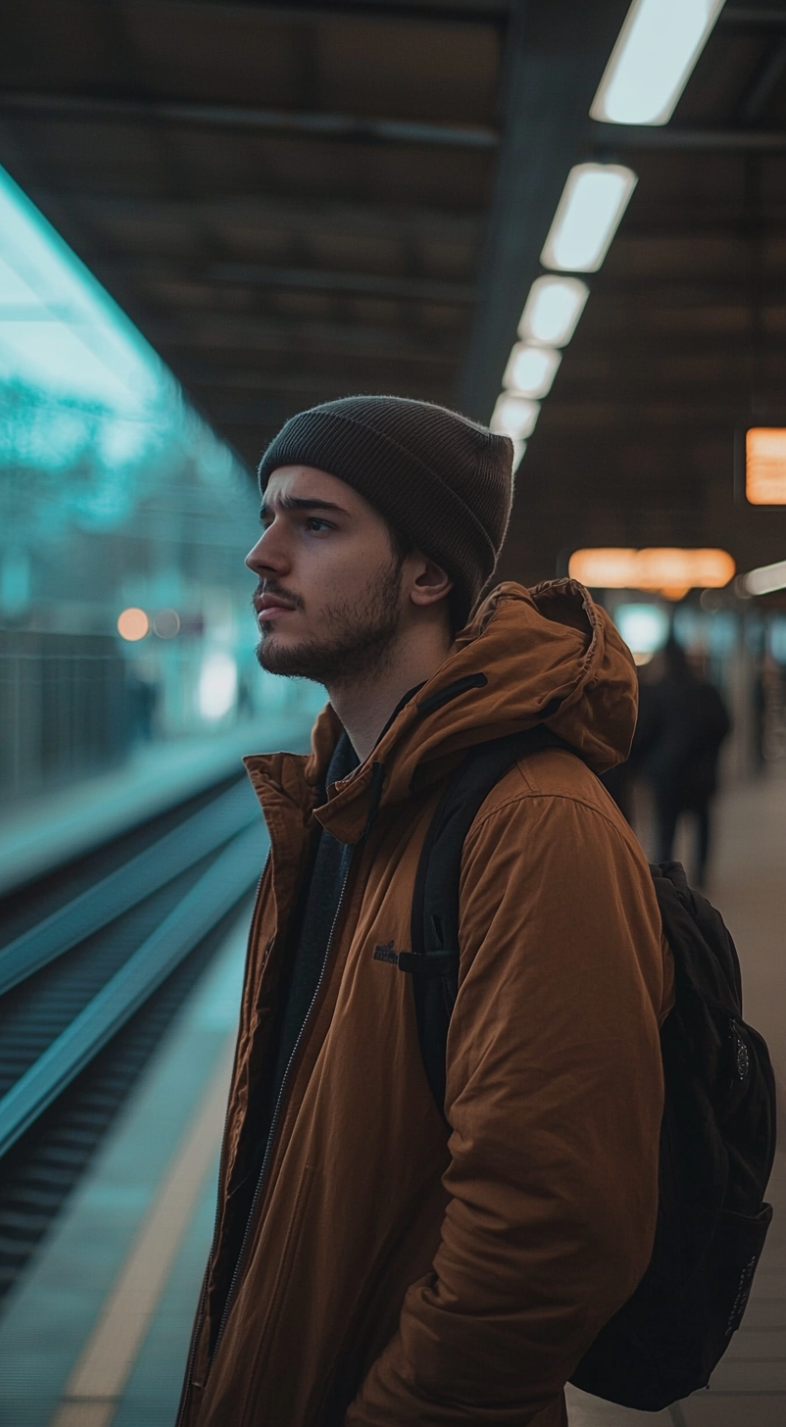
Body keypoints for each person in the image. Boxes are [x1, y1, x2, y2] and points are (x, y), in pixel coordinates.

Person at [177, 396, 672, 1427]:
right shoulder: (331, 806)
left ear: (425, 573)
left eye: (314, 523)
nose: (261, 554)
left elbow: (550, 1232)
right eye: (268, 514)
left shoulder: (532, 822)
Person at [635, 638, 731, 886]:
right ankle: (701, 875)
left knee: (666, 827)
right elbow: (723, 727)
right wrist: (710, 757)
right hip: (700, 773)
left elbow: (643, 733)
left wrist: (645, 765)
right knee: (702, 824)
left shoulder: (656, 692)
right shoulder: (706, 690)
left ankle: (666, 880)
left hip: (666, 774)